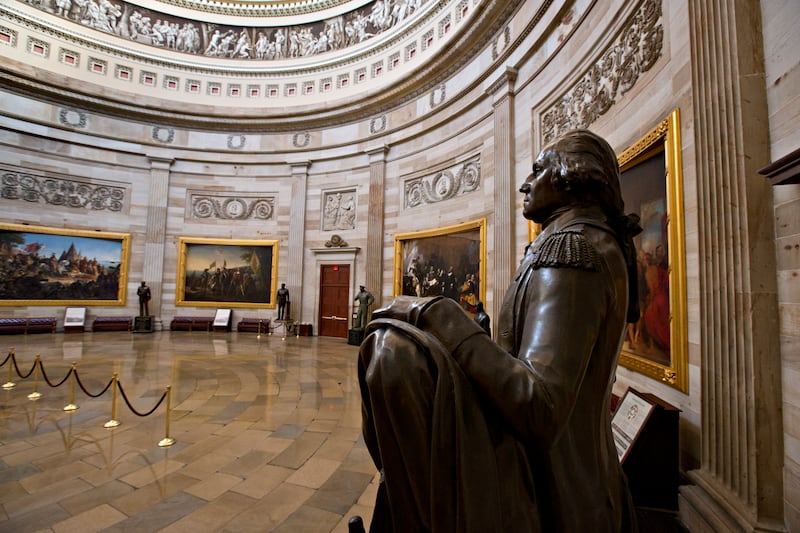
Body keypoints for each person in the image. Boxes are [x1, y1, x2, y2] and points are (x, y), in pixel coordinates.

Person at [357, 130, 641, 532]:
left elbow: (538, 406)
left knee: (392, 355)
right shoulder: (580, 244)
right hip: (574, 483)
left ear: (569, 177)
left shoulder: (573, 253)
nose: (526, 183)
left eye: (538, 171)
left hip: (551, 495)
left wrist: (442, 315)